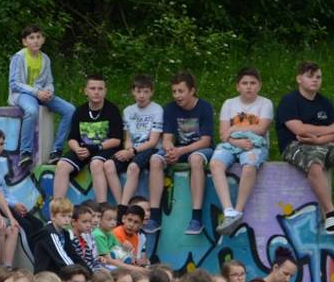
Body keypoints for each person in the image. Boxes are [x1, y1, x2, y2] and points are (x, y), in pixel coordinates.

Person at [276, 61, 334, 235]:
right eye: (310, 76)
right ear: (299, 79)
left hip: (322, 143)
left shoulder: (324, 102)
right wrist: (330, 130)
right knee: (314, 162)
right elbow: (299, 130)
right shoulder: (289, 101)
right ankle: (330, 213)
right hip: (296, 145)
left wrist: (319, 140)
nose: (315, 80)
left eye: (318, 77)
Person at [149, 71, 215, 235]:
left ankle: (196, 218)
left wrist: (180, 151)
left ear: (192, 91)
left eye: (181, 91)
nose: (177, 95)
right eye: (174, 91)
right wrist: (169, 148)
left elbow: (205, 140)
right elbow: (167, 137)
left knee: (195, 160)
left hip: (200, 149)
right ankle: (155, 217)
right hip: (178, 149)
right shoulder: (170, 108)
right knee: (155, 160)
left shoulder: (204, 107)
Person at [210, 68, 274, 235]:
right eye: (244, 83)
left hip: (254, 144)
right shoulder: (229, 104)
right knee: (215, 164)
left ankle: (238, 210)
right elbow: (223, 134)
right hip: (232, 143)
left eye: (253, 83)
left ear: (259, 86)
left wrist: (236, 127)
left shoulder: (265, 103)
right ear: (238, 86)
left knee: (249, 165)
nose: (249, 87)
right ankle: (228, 210)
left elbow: (261, 129)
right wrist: (235, 140)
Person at [8, 25, 75, 166]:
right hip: (22, 94)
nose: (35, 41)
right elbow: (14, 83)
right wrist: (36, 92)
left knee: (70, 110)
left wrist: (49, 91)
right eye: (31, 38)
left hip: (41, 94)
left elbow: (49, 81)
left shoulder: (45, 58)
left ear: (43, 39)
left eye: (38, 37)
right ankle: (25, 152)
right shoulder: (19, 57)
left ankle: (56, 150)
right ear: (25, 42)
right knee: (32, 111)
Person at [52, 74, 123, 203]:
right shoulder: (80, 111)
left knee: (96, 164)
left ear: (105, 91)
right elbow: (72, 138)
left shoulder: (112, 110)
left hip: (104, 149)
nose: (96, 92)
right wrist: (77, 149)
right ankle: (57, 208)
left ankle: (102, 207)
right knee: (62, 165)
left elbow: (117, 140)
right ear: (86, 91)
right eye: (92, 88)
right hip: (83, 150)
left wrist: (96, 147)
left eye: (100, 89)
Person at [113, 74, 163, 213]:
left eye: (146, 92)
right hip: (132, 149)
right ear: (133, 92)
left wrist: (132, 152)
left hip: (150, 149)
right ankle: (118, 204)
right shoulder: (128, 111)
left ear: (152, 92)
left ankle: (123, 207)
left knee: (133, 167)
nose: (142, 95)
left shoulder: (157, 110)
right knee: (108, 165)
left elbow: (153, 141)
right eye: (139, 91)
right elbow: (127, 138)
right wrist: (128, 148)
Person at [31, 196, 82, 274]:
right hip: (45, 277)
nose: (67, 220)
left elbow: (73, 255)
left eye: (69, 216)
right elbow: (61, 258)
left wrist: (89, 273)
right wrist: (77, 273)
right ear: (52, 217)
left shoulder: (65, 233)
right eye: (63, 216)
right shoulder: (48, 233)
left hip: (58, 274)